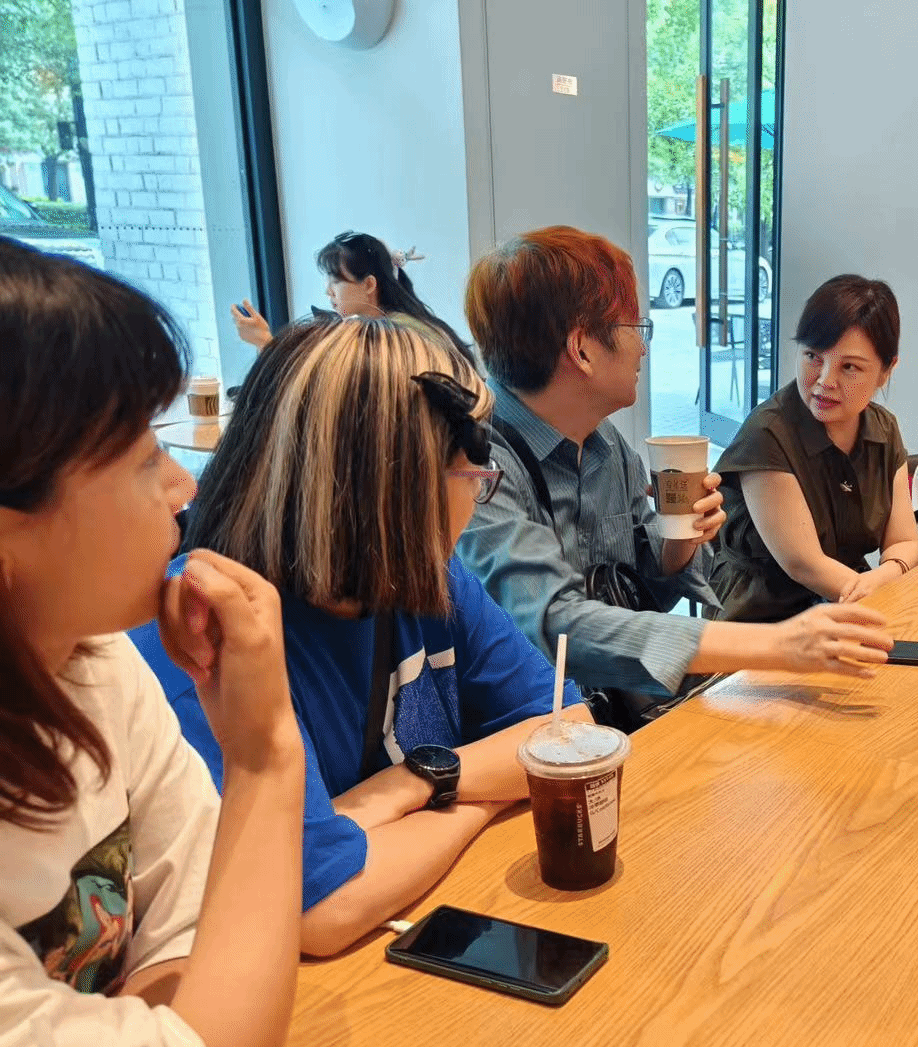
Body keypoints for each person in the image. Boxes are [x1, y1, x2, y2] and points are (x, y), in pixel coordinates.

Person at [130, 316, 590, 957]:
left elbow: (569, 731)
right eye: (473, 478)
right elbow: (323, 906)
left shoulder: (428, 576)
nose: (477, 497)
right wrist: (479, 797)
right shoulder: (200, 630)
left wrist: (419, 784)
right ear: (402, 492)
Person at [1, 238, 304, 1043]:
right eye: (143, 458)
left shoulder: (90, 658)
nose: (183, 485)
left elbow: (204, 927)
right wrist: (265, 754)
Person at [456, 226, 894, 701]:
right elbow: (555, 627)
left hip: (622, 707)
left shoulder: (606, 445)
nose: (643, 348)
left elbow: (646, 594)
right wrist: (779, 644)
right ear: (582, 350)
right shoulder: (473, 465)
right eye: (635, 329)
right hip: (533, 723)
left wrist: (681, 539)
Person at [711, 275, 918, 622]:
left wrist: (883, 577)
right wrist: (874, 597)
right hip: (760, 619)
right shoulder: (766, 434)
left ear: (886, 370)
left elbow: (904, 543)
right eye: (813, 356)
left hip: (848, 599)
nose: (825, 380)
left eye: (849, 367)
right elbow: (804, 564)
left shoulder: (884, 430)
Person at [230, 230, 478, 367]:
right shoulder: (401, 324)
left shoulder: (389, 335)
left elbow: (320, 386)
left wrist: (265, 342)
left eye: (336, 281)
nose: (328, 292)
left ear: (369, 284)